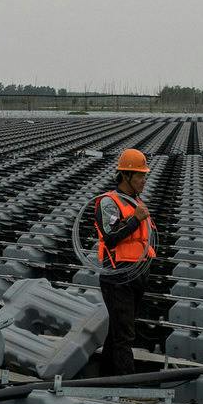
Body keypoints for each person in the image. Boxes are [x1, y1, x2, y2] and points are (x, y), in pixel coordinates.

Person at [90, 148, 155, 376]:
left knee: (118, 332)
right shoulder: (109, 202)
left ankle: (105, 378)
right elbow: (111, 236)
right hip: (118, 276)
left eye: (144, 176)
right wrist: (135, 220)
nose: (143, 180)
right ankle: (127, 387)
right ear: (126, 175)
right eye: (140, 176)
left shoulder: (135, 202)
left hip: (136, 274)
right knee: (125, 335)